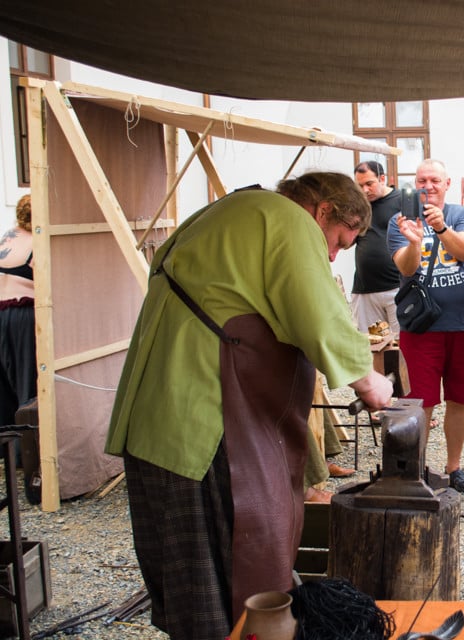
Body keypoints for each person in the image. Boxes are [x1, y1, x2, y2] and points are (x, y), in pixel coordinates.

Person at [105, 173, 394, 639]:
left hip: (159, 419)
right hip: (203, 419)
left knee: (194, 578)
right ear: (323, 211)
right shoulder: (288, 220)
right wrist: (369, 380)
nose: (334, 255)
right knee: (227, 560)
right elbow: (318, 312)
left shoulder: (232, 210)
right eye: (340, 240)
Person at [388, 159, 464, 494]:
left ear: (447, 183)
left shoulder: (461, 215)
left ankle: (454, 467)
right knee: (421, 402)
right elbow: (406, 269)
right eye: (422, 180)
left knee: (460, 398)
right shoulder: (399, 220)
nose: (428, 186)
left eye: (435, 180)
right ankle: (419, 468)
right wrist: (414, 241)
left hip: (462, 324)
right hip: (421, 328)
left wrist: (441, 228)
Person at [352, 160, 403, 336]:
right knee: (368, 347)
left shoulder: (401, 201)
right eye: (360, 186)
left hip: (397, 287)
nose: (365, 190)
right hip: (365, 289)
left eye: (369, 184)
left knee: (402, 346)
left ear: (382, 178)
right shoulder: (358, 206)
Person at [0, 194, 36, 427]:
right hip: (22, 314)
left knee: (4, 386)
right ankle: (27, 449)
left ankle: (8, 450)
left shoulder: (8, 236)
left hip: (1, 311)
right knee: (27, 382)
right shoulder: (36, 242)